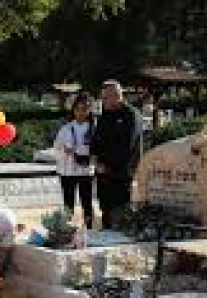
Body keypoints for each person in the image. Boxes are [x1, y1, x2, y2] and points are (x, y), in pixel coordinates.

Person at [90, 80, 143, 229]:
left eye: (105, 98)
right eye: (102, 97)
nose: (103, 101)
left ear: (117, 96)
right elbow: (96, 139)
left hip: (121, 175)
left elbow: (127, 146)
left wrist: (108, 167)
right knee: (106, 212)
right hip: (102, 174)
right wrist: (94, 159)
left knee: (120, 214)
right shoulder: (105, 115)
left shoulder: (131, 115)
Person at [53, 92, 96, 229]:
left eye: (85, 109)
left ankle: (89, 229)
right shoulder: (65, 128)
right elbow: (56, 148)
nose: (81, 112)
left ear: (89, 110)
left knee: (87, 203)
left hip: (85, 171)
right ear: (73, 110)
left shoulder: (94, 129)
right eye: (78, 109)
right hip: (67, 171)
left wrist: (76, 150)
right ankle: (67, 230)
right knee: (68, 204)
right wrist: (64, 151)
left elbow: (96, 150)